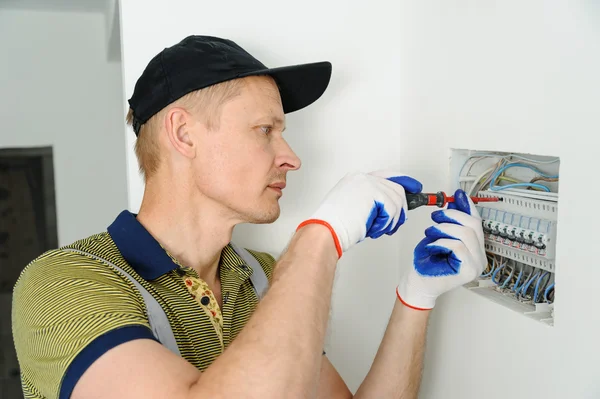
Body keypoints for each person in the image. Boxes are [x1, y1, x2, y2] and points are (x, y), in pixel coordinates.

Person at [11, 35, 486, 399]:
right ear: (184, 133)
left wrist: (415, 299)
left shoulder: (261, 277)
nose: (291, 157)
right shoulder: (63, 284)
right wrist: (322, 237)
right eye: (265, 130)